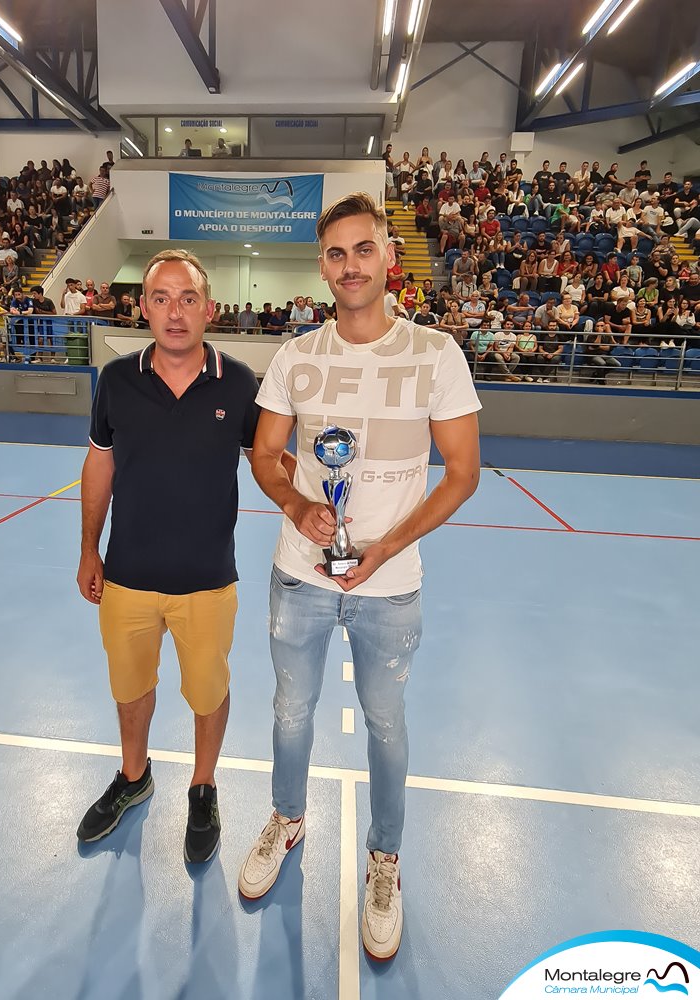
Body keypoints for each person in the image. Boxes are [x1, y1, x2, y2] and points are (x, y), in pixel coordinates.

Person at [238, 192, 481, 961]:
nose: (350, 266)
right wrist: (298, 501)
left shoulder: (436, 354)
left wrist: (385, 544)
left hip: (390, 585)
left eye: (363, 250)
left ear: (388, 258)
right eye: (336, 253)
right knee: (290, 713)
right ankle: (286, 818)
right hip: (300, 578)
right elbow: (264, 456)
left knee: (386, 726)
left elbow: (462, 474)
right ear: (323, 264)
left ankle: (385, 860)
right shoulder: (296, 357)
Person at [76, 249, 268, 865]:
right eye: (161, 298)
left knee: (207, 692)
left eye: (188, 299)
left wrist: (312, 500)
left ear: (209, 309)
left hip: (208, 583)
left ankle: (203, 786)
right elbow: (99, 462)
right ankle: (134, 777)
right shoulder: (116, 380)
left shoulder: (238, 383)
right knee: (131, 690)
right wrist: (89, 549)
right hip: (128, 576)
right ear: (143, 308)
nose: (175, 312)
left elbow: (267, 460)